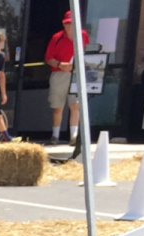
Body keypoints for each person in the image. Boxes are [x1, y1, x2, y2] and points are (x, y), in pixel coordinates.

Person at [44, 10, 89, 144]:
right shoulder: (56, 37)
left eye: (72, 23)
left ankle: (74, 136)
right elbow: (48, 58)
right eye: (67, 23)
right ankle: (55, 135)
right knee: (58, 107)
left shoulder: (83, 36)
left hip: (76, 74)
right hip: (59, 74)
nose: (70, 26)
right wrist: (60, 64)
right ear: (64, 24)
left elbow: (87, 52)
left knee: (75, 105)